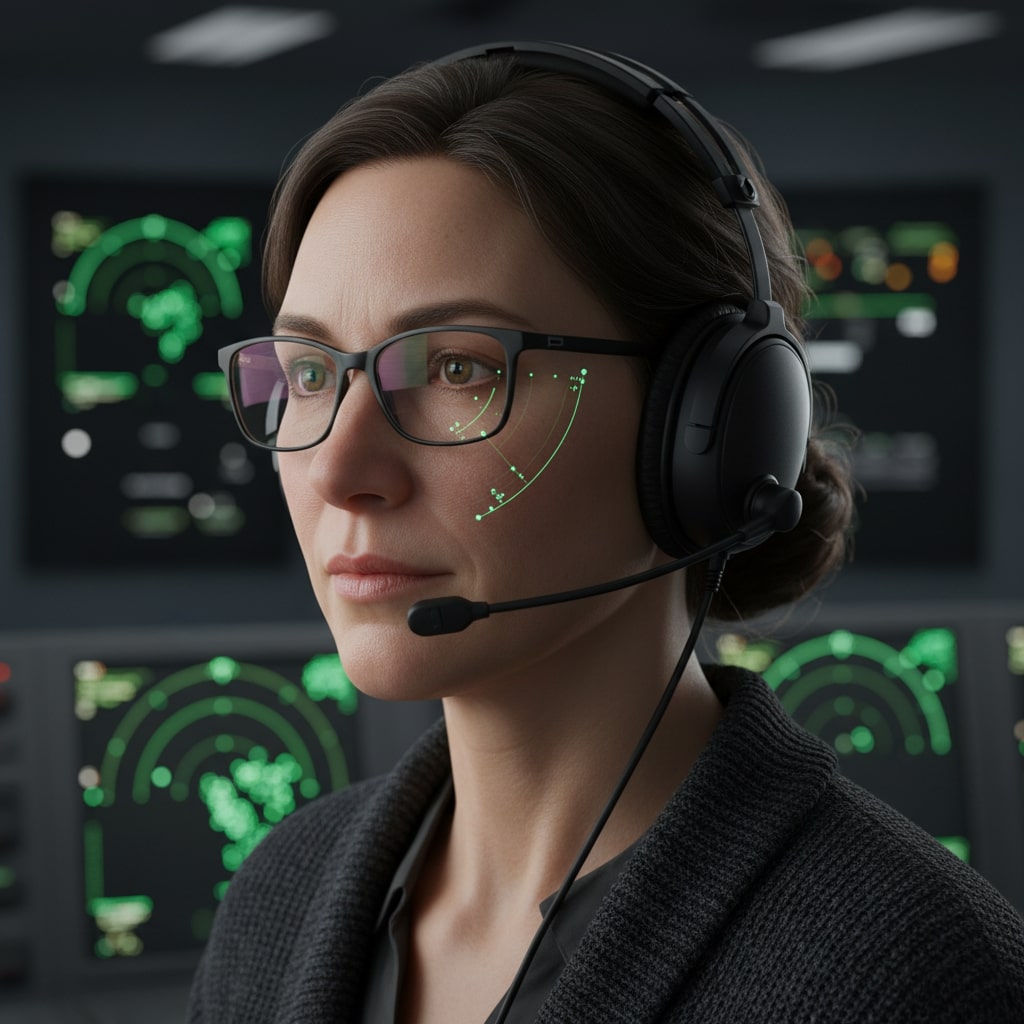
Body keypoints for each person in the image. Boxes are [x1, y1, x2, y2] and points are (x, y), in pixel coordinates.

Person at [188, 41, 1024, 1024]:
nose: (337, 471)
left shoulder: (914, 975)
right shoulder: (280, 897)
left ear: (704, 427)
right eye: (310, 372)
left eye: (458, 369)